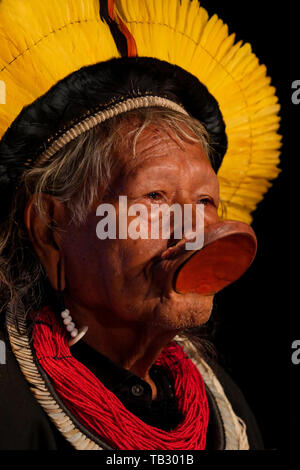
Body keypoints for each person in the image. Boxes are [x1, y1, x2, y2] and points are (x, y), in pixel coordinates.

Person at [0, 0, 281, 450]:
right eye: (154, 197)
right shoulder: (9, 405)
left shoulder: (224, 409)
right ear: (50, 228)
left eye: (206, 200)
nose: (194, 231)